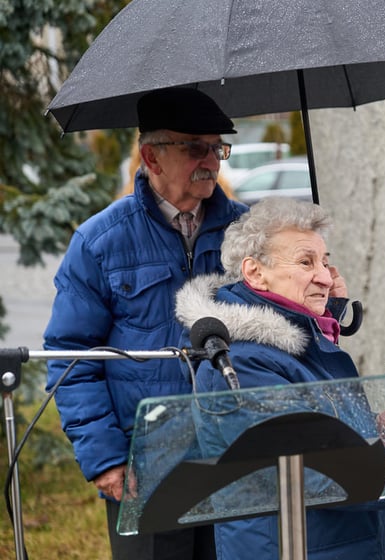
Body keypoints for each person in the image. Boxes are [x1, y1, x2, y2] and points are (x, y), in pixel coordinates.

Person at [173, 197, 385, 559]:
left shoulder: (294, 340)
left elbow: (316, 428)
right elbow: (318, 472)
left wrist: (366, 427)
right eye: (306, 262)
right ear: (255, 272)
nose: (324, 276)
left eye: (326, 262)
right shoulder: (241, 362)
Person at [43, 87, 249, 560]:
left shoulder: (246, 233)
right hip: (146, 463)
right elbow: (71, 357)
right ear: (151, 156)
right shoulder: (100, 242)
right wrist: (106, 459)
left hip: (237, 454)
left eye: (217, 148)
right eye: (195, 147)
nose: (211, 161)